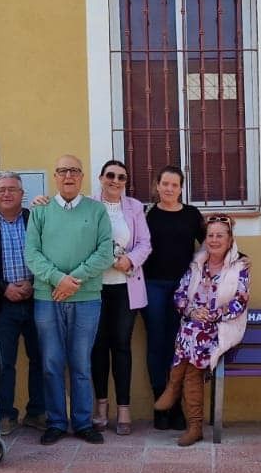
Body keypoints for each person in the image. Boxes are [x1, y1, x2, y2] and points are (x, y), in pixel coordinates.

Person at [25, 154, 116, 445]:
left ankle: (82, 422)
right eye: (63, 170)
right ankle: (55, 422)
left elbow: (105, 252)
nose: (68, 176)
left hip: (86, 298)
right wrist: (57, 279)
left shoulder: (97, 210)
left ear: (81, 177)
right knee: (51, 363)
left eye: (74, 171)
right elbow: (32, 254)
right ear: (55, 176)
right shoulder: (40, 212)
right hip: (47, 298)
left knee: (80, 363)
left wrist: (73, 280)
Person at [153, 214, 251, 447]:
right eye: (210, 235)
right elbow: (179, 294)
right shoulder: (196, 265)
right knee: (193, 339)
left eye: (220, 235)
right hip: (194, 330)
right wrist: (190, 311)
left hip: (224, 327)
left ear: (229, 240)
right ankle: (194, 426)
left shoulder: (241, 267)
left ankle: (173, 386)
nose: (214, 240)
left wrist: (212, 315)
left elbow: (240, 301)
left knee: (192, 331)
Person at [82, 159, 151, 435]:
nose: (116, 181)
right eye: (110, 175)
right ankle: (101, 406)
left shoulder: (134, 207)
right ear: (100, 178)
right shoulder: (86, 204)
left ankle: (124, 407)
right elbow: (78, 236)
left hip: (125, 286)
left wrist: (130, 260)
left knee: (121, 346)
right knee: (97, 346)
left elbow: (145, 242)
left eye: (121, 177)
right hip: (94, 287)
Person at [0, 171, 45, 435]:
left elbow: (49, 254)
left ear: (22, 194)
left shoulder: (36, 219)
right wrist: (3, 288)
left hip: (36, 299)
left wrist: (33, 283)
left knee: (40, 358)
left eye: (12, 189)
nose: (6, 194)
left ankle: (37, 412)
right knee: (4, 361)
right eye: (1, 190)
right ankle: (5, 414)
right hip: (2, 303)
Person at [141, 165, 203, 433]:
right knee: (157, 345)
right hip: (152, 287)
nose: (169, 189)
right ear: (157, 185)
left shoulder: (191, 215)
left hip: (185, 290)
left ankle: (176, 406)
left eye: (174, 185)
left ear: (181, 188)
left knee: (181, 348)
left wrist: (237, 256)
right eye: (164, 184)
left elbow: (212, 242)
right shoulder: (146, 215)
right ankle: (160, 406)